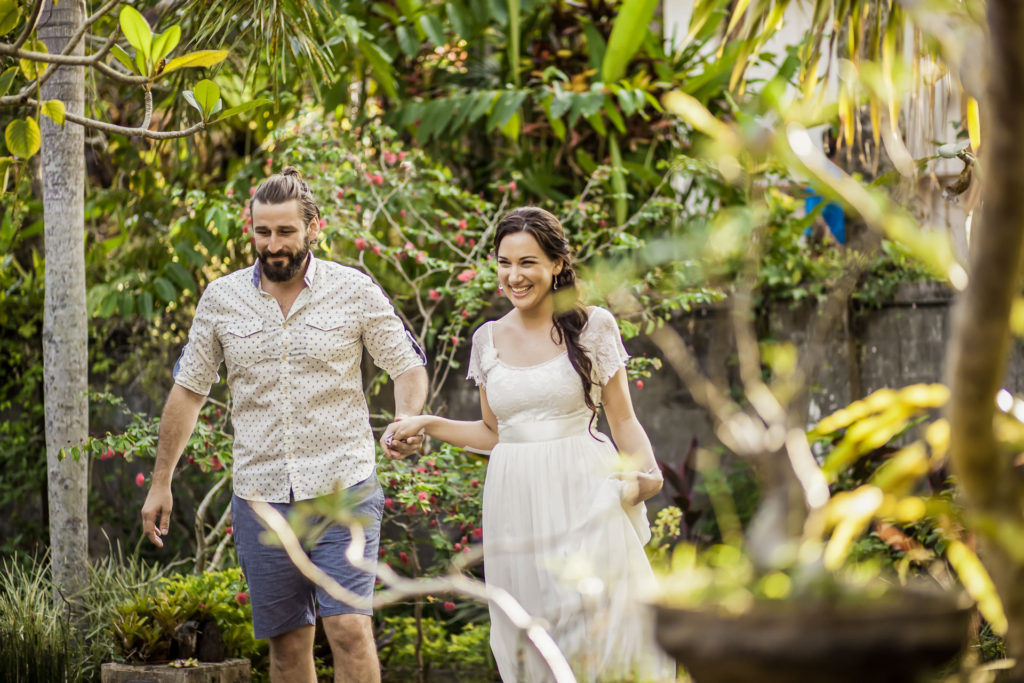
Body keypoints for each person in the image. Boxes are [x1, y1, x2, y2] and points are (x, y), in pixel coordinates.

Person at [141, 167, 428, 683]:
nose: (273, 245)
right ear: (251, 230)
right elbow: (188, 391)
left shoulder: (352, 289)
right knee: (288, 648)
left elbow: (405, 363)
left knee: (349, 630)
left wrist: (407, 419)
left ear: (314, 228)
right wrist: (160, 481)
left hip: (344, 486)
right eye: (262, 232)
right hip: (261, 497)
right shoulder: (221, 299)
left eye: (285, 232)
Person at [383, 207, 675, 682]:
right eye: (504, 263)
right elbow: (494, 434)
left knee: (594, 623)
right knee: (530, 631)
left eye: (528, 263)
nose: (514, 276)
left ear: (558, 264)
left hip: (584, 488)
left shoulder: (593, 326)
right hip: (513, 499)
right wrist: (429, 422)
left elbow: (623, 419)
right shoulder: (487, 339)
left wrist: (648, 474)